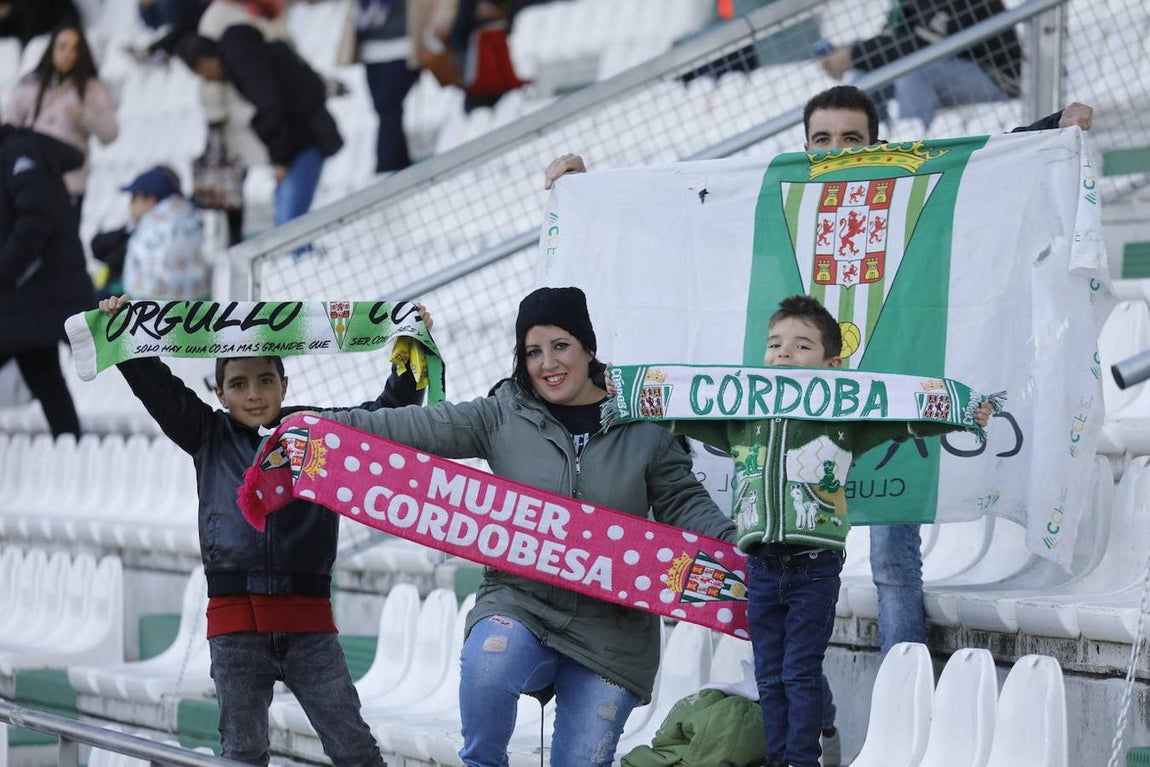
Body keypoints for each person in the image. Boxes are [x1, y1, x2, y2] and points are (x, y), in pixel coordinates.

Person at [542, 84, 1092, 766]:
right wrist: (592, 194)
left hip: (871, 400)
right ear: (805, 146)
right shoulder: (782, 192)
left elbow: (980, 168)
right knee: (786, 641)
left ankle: (904, 714)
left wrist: (1052, 131)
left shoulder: (905, 181)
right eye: (821, 141)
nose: (834, 152)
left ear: (880, 145)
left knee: (894, 558)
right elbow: (687, 211)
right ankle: (816, 735)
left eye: (851, 140)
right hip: (783, 430)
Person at [317, 286, 738, 767]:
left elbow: (684, 502)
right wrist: (319, 423)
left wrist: (733, 549)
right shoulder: (502, 414)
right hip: (519, 602)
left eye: (560, 346)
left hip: (612, 631)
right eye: (532, 352)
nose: (547, 364)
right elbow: (415, 426)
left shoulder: (643, 426)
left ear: (588, 348)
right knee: (488, 666)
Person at [96, 293, 433, 766]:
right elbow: (158, 387)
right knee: (243, 754)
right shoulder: (206, 434)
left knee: (355, 750)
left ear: (284, 382)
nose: (253, 393)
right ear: (219, 393)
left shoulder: (318, 431)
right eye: (238, 383)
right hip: (235, 632)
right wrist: (124, 331)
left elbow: (384, 418)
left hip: (309, 628)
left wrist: (410, 351)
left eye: (265, 380)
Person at [657, 295, 990, 767]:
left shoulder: (843, 418)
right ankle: (778, 759)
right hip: (762, 564)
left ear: (832, 365)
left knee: (798, 671)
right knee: (769, 674)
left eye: (801, 346)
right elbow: (681, 410)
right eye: (774, 345)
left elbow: (902, 421)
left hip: (815, 566)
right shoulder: (742, 416)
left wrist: (960, 412)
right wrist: (631, 398)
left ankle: (801, 760)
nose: (784, 354)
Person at [177, 23, 343, 227]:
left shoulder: (245, 65)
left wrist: (280, 160)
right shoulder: (248, 57)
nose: (208, 80)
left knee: (289, 225)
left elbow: (272, 107)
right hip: (302, 136)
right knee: (286, 218)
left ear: (204, 63)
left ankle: (299, 256)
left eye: (202, 74)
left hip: (304, 138)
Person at [0, 123, 94, 438]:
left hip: (33, 290)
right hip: (27, 299)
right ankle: (73, 447)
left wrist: (5, 270)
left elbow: (36, 220)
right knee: (45, 376)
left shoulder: (19, 154)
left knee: (45, 376)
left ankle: (73, 445)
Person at [815, 0, 1022, 130]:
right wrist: (850, 53)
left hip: (998, 78)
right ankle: (864, 143)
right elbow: (891, 40)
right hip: (950, 71)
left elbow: (923, 45)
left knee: (912, 69)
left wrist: (855, 54)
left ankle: (910, 148)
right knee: (863, 72)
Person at [3, 24, 118, 213]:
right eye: (62, 47)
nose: (68, 54)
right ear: (52, 49)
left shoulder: (91, 89)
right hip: (31, 178)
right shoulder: (31, 84)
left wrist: (85, 116)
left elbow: (110, 133)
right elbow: (9, 124)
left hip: (69, 182)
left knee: (61, 239)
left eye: (74, 49)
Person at [340, 0, 455, 173]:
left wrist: (442, 20)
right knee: (383, 109)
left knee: (388, 107)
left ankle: (387, 167)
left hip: (403, 48)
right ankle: (400, 165)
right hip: (370, 51)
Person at [92, 165, 207, 300]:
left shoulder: (154, 231)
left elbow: (106, 254)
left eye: (134, 198)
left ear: (150, 201)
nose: (131, 204)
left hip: (146, 305)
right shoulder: (188, 220)